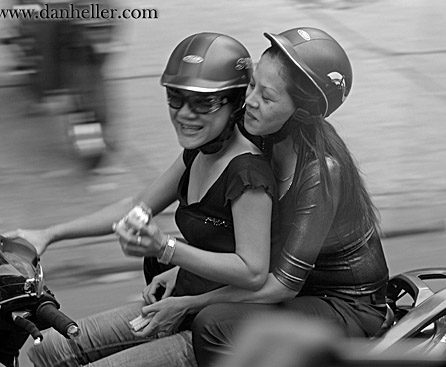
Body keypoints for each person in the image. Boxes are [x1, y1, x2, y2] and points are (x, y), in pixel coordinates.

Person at [5, 32, 276, 367]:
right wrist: (48, 234)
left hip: (211, 329)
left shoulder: (247, 174)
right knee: (49, 350)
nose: (185, 114)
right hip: (176, 302)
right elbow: (139, 207)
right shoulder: (197, 152)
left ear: (236, 104)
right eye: (176, 98)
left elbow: (253, 272)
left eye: (203, 103)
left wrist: (166, 249)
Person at [128, 27, 390, 367]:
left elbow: (282, 286)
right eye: (252, 85)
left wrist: (190, 302)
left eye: (267, 98)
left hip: (341, 303)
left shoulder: (319, 171)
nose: (249, 102)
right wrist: (179, 273)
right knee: (167, 263)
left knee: (214, 324)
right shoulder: (261, 132)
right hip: (295, 283)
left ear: (300, 113)